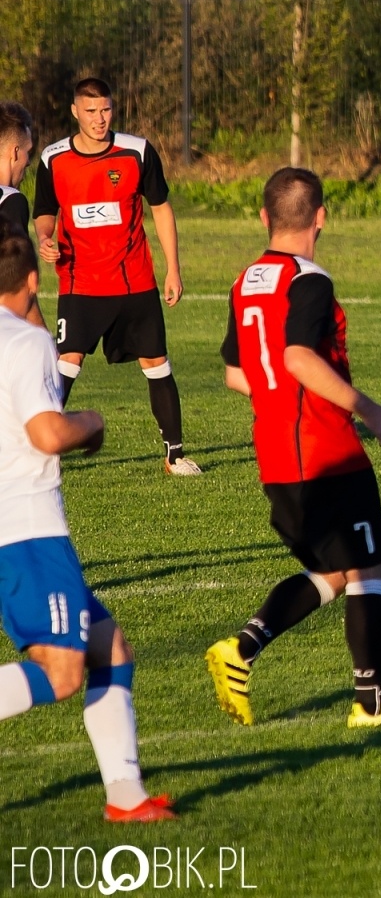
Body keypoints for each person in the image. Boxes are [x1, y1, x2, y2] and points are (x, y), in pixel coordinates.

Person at [206, 168, 381, 729]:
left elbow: (235, 373)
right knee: (368, 570)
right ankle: (369, 706)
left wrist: (279, 402)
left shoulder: (245, 279)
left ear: (263, 217)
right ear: (321, 217)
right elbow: (296, 357)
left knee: (335, 572)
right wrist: (370, 410)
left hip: (275, 456)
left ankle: (240, 651)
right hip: (325, 451)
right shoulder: (310, 279)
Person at [0, 225, 173, 821]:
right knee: (64, 670)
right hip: (27, 531)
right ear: (33, 280)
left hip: (17, 532)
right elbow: (47, 433)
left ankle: (125, 797)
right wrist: (92, 423)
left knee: (109, 648)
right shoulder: (23, 344)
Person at [31, 78, 199, 475]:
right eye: (90, 111)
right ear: (75, 112)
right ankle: (40, 449)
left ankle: (174, 455)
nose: (99, 119)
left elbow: (161, 208)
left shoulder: (136, 151)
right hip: (80, 283)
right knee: (66, 362)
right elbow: (44, 211)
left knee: (157, 362)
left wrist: (173, 268)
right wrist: (44, 236)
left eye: (105, 110)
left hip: (134, 281)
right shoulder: (53, 159)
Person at [0, 102, 45, 328]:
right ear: (15, 152)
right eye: (27, 152)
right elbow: (18, 283)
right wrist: (43, 337)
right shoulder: (10, 200)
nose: (28, 161)